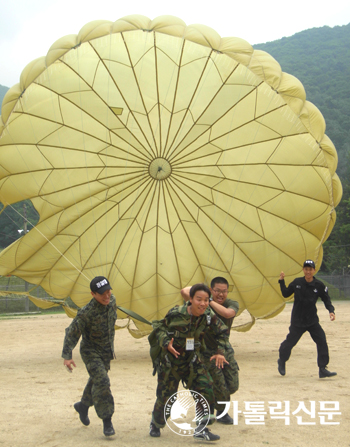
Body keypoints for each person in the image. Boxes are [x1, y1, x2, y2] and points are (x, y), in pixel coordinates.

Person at [149, 283, 229, 442]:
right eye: (199, 299)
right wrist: (166, 343)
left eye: (206, 300)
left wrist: (220, 352)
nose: (203, 303)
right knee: (166, 398)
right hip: (171, 363)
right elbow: (159, 328)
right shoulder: (176, 314)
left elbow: (222, 332)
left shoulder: (208, 315)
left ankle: (202, 428)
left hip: (193, 361)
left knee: (206, 389)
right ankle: (156, 423)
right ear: (190, 299)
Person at [62, 276, 117, 437]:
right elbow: (71, 332)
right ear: (93, 294)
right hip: (91, 352)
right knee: (102, 381)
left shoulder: (112, 301)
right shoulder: (86, 313)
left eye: (108, 292)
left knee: (96, 380)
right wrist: (67, 355)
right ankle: (107, 420)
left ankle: (83, 406)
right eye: (102, 294)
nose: (107, 296)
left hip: (106, 351)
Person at [181, 277, 239, 424]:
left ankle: (217, 408)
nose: (221, 294)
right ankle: (218, 412)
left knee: (232, 385)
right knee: (218, 384)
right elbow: (184, 291)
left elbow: (227, 313)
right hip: (207, 352)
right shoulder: (202, 303)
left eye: (224, 291)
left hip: (224, 347)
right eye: (217, 291)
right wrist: (204, 295)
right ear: (211, 290)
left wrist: (209, 301)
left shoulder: (230, 303)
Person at [277, 260, 337, 378]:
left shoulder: (319, 285)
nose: (308, 271)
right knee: (289, 343)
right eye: (306, 269)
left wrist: (331, 311)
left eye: (310, 269)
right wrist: (281, 281)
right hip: (298, 321)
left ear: (314, 270)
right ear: (303, 270)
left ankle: (322, 368)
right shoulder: (297, 282)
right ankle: (282, 360)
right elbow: (285, 293)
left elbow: (326, 299)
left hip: (312, 320)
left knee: (321, 340)